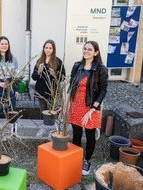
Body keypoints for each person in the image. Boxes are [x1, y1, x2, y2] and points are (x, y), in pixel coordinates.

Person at [67, 41, 108, 175]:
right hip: (76, 105)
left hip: (91, 107)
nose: (86, 51)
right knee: (77, 135)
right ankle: (76, 158)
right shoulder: (77, 66)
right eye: (85, 49)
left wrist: (93, 109)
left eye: (90, 49)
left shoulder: (101, 69)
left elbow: (103, 91)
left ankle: (87, 160)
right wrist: (66, 104)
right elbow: (71, 86)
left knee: (90, 135)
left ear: (96, 52)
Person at [31, 39, 65, 117]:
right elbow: (34, 77)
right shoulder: (39, 61)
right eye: (46, 48)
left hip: (53, 91)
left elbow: (62, 77)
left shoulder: (58, 61)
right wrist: (38, 71)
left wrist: (55, 75)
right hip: (41, 91)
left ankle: (53, 128)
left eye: (50, 48)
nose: (48, 50)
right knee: (43, 112)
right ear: (43, 49)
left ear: (53, 49)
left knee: (52, 112)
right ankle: (44, 127)